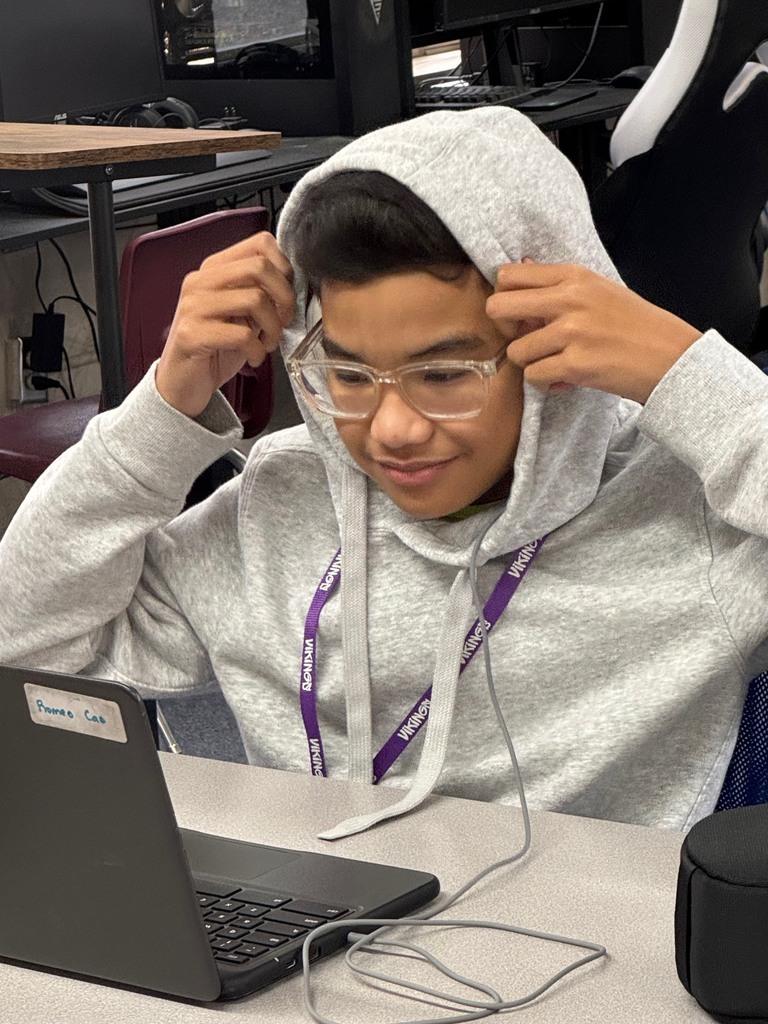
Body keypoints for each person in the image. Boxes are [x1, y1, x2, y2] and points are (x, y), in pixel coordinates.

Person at [1, 106, 767, 838]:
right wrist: (160, 412)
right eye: (351, 375)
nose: (392, 430)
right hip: (313, 942)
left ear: (546, 352)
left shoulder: (682, 511)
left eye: (445, 376)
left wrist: (684, 372)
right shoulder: (281, 505)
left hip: (586, 945)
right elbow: (25, 644)